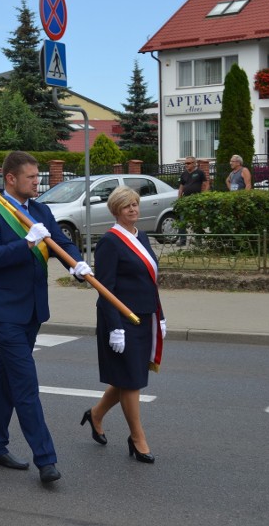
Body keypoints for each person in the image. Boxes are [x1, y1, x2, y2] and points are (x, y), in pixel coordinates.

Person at [0, 151, 92, 485]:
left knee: (7, 380)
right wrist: (26, 243)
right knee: (25, 383)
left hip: (32, 309)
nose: (36, 182)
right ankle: (46, 459)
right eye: (30, 177)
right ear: (10, 178)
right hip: (2, 310)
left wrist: (77, 265)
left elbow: (63, 243)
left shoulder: (40, 210)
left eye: (37, 176)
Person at [83, 186, 166, 464]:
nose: (133, 209)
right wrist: (115, 326)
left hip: (144, 316)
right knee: (131, 380)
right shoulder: (110, 241)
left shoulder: (141, 236)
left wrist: (160, 316)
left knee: (128, 377)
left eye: (135, 204)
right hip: (120, 320)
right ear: (116, 210)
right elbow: (105, 289)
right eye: (126, 206)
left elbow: (149, 280)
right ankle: (137, 437)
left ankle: (95, 414)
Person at [176, 157, 208, 246]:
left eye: (189, 163)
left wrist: (203, 196)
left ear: (194, 163)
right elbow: (181, 187)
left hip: (196, 200)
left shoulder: (200, 173)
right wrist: (179, 199)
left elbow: (206, 184)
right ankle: (182, 240)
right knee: (182, 220)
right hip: (185, 200)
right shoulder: (184, 174)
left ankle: (198, 241)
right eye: (185, 163)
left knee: (197, 220)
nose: (187, 165)